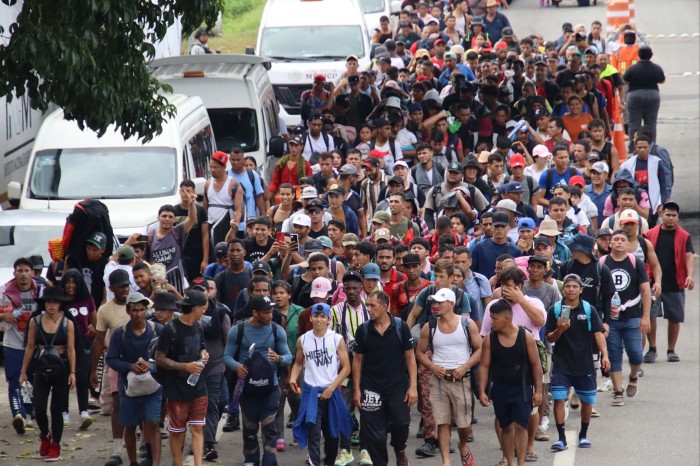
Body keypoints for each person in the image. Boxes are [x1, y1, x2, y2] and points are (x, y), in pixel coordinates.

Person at [223, 295, 292, 466]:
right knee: (250, 428)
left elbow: (289, 356)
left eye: (271, 311)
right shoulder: (237, 330)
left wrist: (279, 359)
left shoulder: (277, 330)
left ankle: (270, 459)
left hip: (271, 387)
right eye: (266, 312)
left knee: (269, 427)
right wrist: (237, 366)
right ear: (255, 312)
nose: (270, 315)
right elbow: (226, 356)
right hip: (247, 389)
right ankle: (251, 459)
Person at [415, 288, 481, 466]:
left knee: (464, 425)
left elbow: (481, 349)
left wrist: (465, 366)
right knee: (442, 423)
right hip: (439, 381)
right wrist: (433, 367)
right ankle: (446, 462)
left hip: (461, 380)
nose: (435, 305)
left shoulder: (467, 324)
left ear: (451, 304)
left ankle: (462, 444)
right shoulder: (430, 326)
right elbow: (419, 353)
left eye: (440, 302)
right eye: (434, 302)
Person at [545, 274, 610, 452]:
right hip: (562, 362)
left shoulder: (589, 310)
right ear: (563, 289)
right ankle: (561, 438)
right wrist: (559, 329)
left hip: (584, 362)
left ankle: (583, 435)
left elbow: (598, 333)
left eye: (575, 286)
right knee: (559, 399)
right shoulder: (555, 310)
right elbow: (550, 338)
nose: (571, 290)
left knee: (587, 401)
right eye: (568, 286)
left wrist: (605, 355)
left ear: (581, 289)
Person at [353, 291, 416, 466]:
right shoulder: (363, 330)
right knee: (375, 434)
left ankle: (400, 449)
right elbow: (357, 361)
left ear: (384, 306)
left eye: (372, 305)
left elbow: (410, 358)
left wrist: (413, 387)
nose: (368, 309)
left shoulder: (400, 327)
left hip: (398, 387)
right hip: (371, 388)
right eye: (367, 305)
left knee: (401, 424)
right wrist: (357, 390)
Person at [478, 299, 543, 466]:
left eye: (494, 318)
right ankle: (509, 462)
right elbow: (484, 366)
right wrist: (482, 391)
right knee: (506, 427)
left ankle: (520, 463)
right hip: (500, 389)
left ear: (506, 319)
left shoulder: (525, 337)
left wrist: (538, 391)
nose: (491, 322)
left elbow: (536, 365)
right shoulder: (490, 339)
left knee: (521, 427)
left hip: (521, 388)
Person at [290, 303, 353, 466]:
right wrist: (292, 378)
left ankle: (329, 462)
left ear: (328, 319)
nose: (319, 319)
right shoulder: (303, 340)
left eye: (322, 316)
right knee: (313, 431)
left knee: (332, 434)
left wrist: (331, 388)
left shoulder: (336, 339)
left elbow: (346, 368)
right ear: (310, 318)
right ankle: (314, 462)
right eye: (316, 316)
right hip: (311, 393)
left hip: (331, 392)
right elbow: (298, 363)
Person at [19, 286, 76, 462]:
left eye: (55, 302)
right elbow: (29, 347)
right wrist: (23, 372)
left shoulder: (68, 323)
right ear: (44, 303)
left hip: (61, 369)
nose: (51, 305)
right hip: (41, 368)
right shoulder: (35, 322)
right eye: (49, 301)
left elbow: (71, 349)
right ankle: (44, 435)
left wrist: (73, 372)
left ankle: (56, 444)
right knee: (40, 408)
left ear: (60, 304)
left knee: (56, 410)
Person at [105, 292, 163, 466]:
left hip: (154, 387)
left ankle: (156, 462)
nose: (138, 314)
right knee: (129, 425)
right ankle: (133, 462)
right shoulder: (119, 334)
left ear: (146, 310)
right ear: (128, 311)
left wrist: (150, 364)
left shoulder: (157, 330)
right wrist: (130, 366)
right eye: (135, 310)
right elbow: (111, 359)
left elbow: (166, 355)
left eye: (142, 309)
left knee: (153, 423)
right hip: (129, 388)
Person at [155, 290, 210, 466]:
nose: (204, 312)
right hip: (176, 388)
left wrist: (203, 354)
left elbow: (201, 346)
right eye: (203, 308)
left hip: (198, 385)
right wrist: (186, 366)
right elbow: (159, 359)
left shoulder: (199, 326)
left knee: (197, 427)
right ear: (195, 308)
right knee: (177, 430)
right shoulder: (170, 330)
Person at [599, 230, 651, 406]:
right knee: (614, 355)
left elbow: (645, 290)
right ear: (610, 244)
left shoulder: (635, 262)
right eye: (616, 240)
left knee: (636, 354)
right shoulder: (602, 263)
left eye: (623, 240)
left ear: (628, 245)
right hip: (610, 318)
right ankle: (618, 391)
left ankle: (633, 376)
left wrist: (646, 317)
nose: (619, 242)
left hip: (632, 316)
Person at [643, 201, 695, 363]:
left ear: (678, 217)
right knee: (650, 315)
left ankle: (671, 350)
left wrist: (690, 275)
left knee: (674, 317)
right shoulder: (649, 235)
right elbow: (642, 257)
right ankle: (652, 349)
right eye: (668, 215)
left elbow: (689, 256)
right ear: (661, 215)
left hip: (675, 282)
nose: (671, 218)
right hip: (653, 283)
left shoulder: (684, 236)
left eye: (674, 215)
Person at [330, 271, 372, 466]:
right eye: (348, 288)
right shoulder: (335, 311)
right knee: (345, 409)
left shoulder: (370, 308)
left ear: (361, 288)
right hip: (345, 367)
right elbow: (331, 339)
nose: (352, 291)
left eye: (356, 288)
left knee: (368, 409)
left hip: (368, 367)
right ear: (343, 290)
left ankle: (365, 449)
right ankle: (345, 449)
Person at [90, 269, 131, 466]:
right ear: (111, 288)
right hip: (115, 362)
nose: (125, 289)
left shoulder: (139, 304)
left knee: (139, 405)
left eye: (126, 285)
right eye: (121, 286)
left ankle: (142, 446)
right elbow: (98, 341)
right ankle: (116, 450)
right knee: (118, 404)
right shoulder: (105, 310)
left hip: (139, 364)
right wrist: (93, 372)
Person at [1, 257, 45, 434]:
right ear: (14, 273)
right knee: (14, 380)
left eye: (27, 271)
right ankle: (18, 414)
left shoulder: (42, 291)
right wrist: (3, 316)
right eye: (20, 271)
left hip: (35, 344)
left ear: (33, 273)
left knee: (34, 379)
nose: (23, 275)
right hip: (12, 343)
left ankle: (28, 413)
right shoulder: (4, 291)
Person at [145, 194, 198, 294]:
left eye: (170, 217)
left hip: (176, 282)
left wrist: (191, 204)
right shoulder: (149, 236)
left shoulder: (178, 232)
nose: (167, 219)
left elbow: (191, 219)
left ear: (174, 220)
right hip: (156, 284)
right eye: (164, 216)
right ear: (158, 218)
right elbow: (141, 258)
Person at [623, 46, 665, 146]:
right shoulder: (656, 68)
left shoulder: (633, 68)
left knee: (634, 122)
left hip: (635, 95)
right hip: (653, 95)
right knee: (651, 122)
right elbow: (662, 80)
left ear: (639, 55)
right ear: (651, 55)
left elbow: (625, 80)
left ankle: (633, 145)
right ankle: (651, 145)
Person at [204, 151, 244, 245]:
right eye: (211, 167)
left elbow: (238, 209)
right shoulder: (208, 183)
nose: (212, 170)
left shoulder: (234, 184)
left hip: (227, 226)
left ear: (223, 167)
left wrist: (234, 228)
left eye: (215, 167)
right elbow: (205, 208)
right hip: (210, 225)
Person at [470, 212, 521, 279]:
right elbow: (472, 272)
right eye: (496, 226)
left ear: (508, 228)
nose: (499, 229)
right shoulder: (479, 247)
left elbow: (517, 276)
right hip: (483, 288)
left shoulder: (515, 251)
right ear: (492, 227)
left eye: (503, 226)